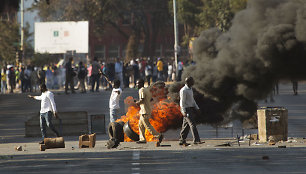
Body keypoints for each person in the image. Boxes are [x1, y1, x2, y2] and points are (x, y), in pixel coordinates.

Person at [135, 79, 163, 146]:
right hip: (144, 110)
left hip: (145, 111)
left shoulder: (141, 90)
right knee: (140, 125)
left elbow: (142, 100)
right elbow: (150, 99)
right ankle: (142, 139)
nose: (136, 85)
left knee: (147, 125)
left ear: (141, 84)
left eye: (137, 83)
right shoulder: (146, 90)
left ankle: (159, 135)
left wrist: (137, 103)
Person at [179, 77, 202, 146]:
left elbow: (192, 100)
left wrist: (197, 108)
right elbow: (182, 102)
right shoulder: (183, 90)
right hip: (186, 109)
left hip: (190, 108)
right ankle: (196, 140)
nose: (193, 82)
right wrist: (183, 111)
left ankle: (182, 140)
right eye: (192, 81)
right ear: (188, 82)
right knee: (192, 124)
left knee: (186, 126)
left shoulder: (190, 89)